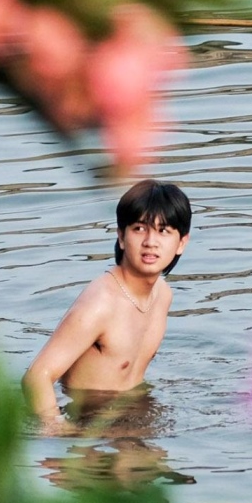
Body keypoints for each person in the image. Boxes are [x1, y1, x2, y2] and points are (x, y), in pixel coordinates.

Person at [23, 180, 190, 433]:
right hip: (89, 424)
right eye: (139, 229)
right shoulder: (101, 303)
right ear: (121, 237)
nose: (150, 242)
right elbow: (36, 377)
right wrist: (61, 431)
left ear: (181, 243)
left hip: (135, 415)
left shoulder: (162, 295)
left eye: (163, 231)